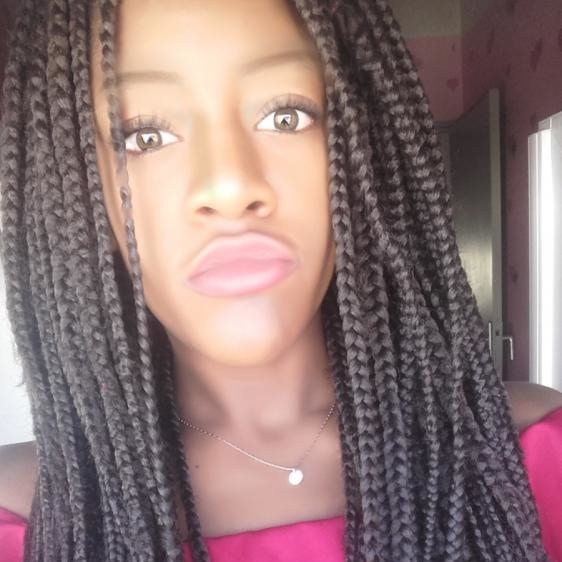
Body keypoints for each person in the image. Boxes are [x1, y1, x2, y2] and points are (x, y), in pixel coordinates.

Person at [0, 0, 561, 561]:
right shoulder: (29, 527)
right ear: (77, 194)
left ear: (365, 155)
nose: (229, 186)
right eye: (144, 135)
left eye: (286, 117)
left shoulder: (534, 457)